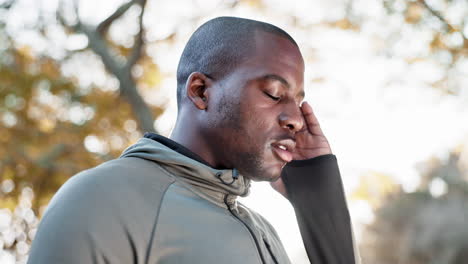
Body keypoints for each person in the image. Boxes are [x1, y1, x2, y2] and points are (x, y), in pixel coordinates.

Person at [28, 17, 359, 264]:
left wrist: (319, 201)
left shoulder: (265, 233)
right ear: (201, 91)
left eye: (299, 100)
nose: (296, 118)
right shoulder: (101, 200)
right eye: (274, 93)